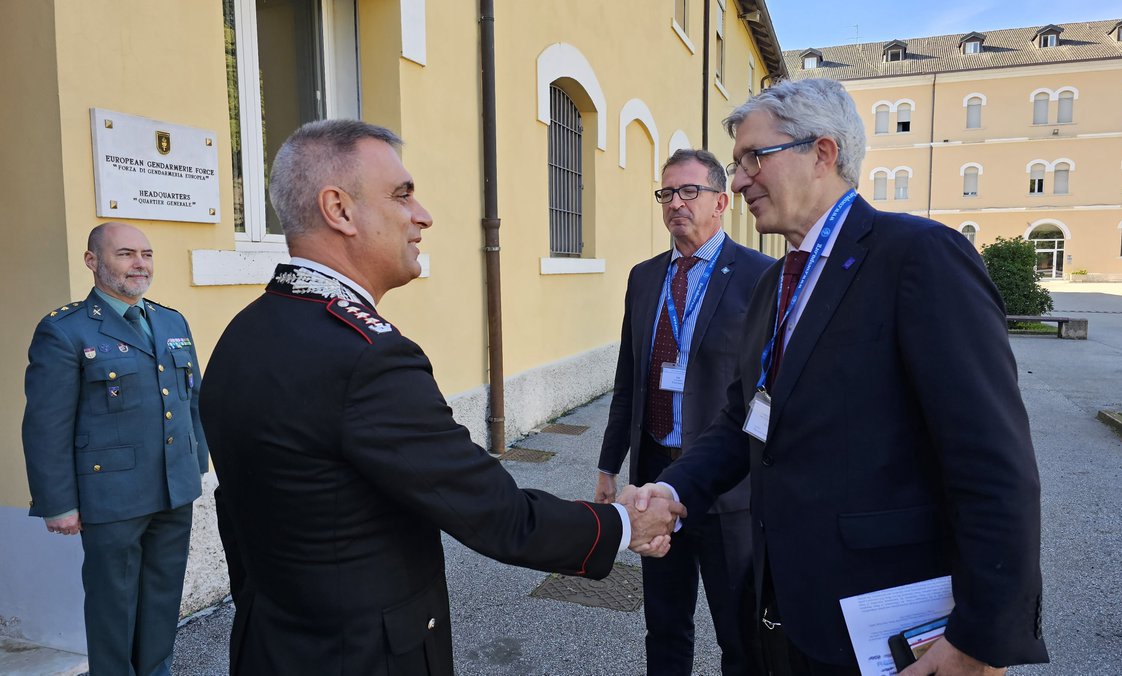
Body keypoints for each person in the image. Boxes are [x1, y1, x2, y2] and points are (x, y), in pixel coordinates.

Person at [199, 119, 683, 676]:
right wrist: (623, 524)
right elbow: (495, 514)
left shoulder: (243, 333)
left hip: (270, 647)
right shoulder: (366, 357)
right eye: (402, 195)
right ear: (339, 210)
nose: (423, 215)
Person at [634, 78, 1049, 674]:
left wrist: (983, 637)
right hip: (784, 604)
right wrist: (673, 492)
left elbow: (992, 461)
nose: (741, 180)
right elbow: (744, 417)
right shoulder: (774, 283)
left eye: (754, 158)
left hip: (884, 615)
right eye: (738, 163)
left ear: (822, 153)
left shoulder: (919, 256)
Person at [596, 148, 772, 675]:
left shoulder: (760, 276)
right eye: (667, 193)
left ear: (720, 201)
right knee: (665, 622)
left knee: (740, 633)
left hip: (726, 488)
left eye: (690, 191)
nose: (676, 203)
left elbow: (768, 389)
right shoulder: (644, 277)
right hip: (656, 478)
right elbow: (628, 377)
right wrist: (609, 465)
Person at [22, 221, 208, 676]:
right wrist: (58, 503)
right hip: (111, 496)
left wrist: (196, 463)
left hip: (173, 489)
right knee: (114, 607)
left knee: (163, 600)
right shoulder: (65, 331)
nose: (139, 263)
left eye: (146, 254)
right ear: (92, 261)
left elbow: (193, 401)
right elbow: (46, 425)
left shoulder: (171, 320)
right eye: (125, 254)